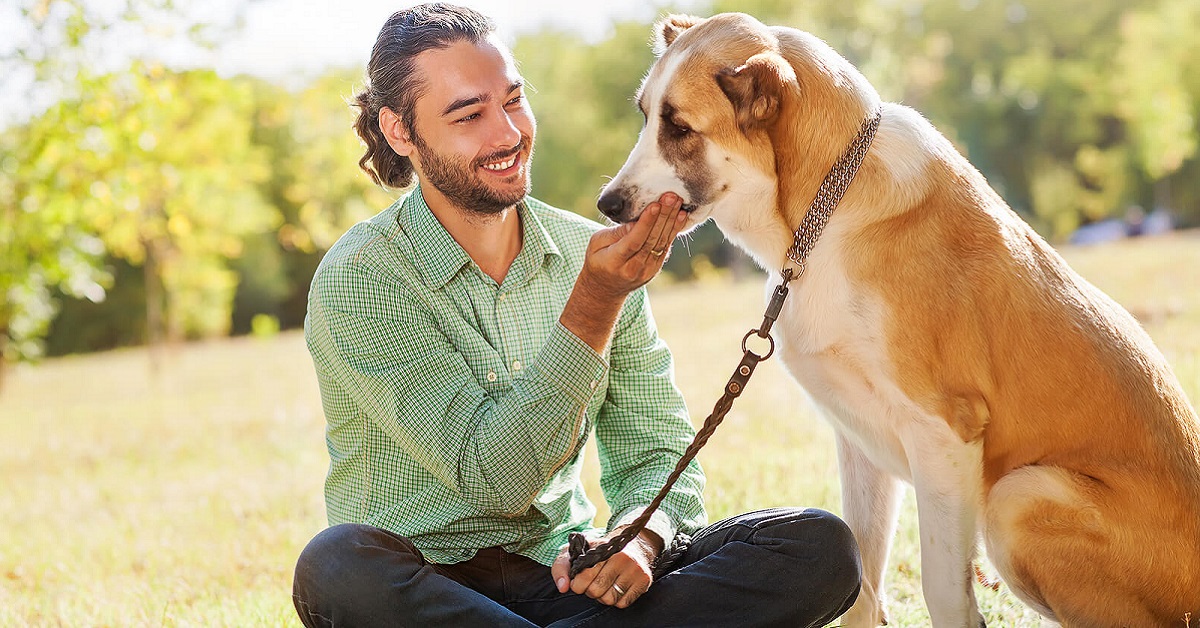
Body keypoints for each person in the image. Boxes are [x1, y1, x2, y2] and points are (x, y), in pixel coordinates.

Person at [292, 4, 862, 626]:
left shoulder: (587, 253)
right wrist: (593, 303)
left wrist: (639, 537)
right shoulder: (362, 277)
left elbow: (654, 450)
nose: (507, 134)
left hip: (565, 583)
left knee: (816, 547)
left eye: (512, 101)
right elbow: (491, 477)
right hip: (427, 590)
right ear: (400, 132)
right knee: (335, 567)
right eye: (469, 115)